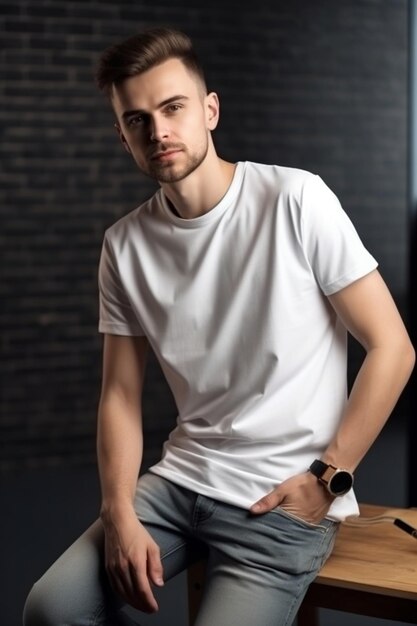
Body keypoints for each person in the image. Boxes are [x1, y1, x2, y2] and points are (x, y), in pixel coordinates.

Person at [24, 27, 415, 626]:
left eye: (173, 107)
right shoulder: (123, 245)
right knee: (52, 609)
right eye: (137, 120)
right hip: (179, 483)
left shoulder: (296, 199)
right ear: (123, 136)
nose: (158, 132)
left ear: (210, 110)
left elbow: (392, 348)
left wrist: (329, 477)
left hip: (281, 500)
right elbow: (121, 395)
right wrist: (119, 512)